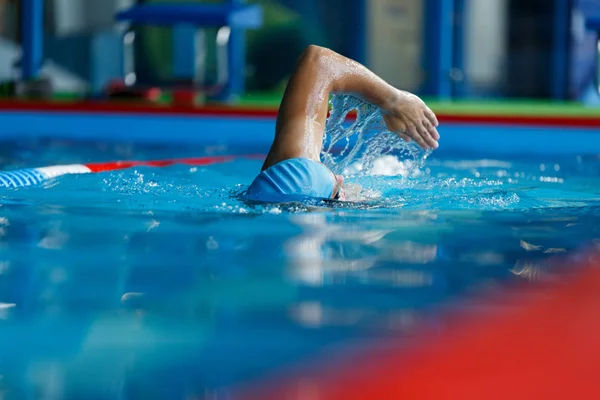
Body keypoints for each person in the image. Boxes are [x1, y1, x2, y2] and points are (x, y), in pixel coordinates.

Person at [245, 45, 439, 202]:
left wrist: (392, 100)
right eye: (337, 193)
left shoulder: (283, 183)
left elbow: (319, 63)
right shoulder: (300, 181)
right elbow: (319, 62)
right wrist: (395, 101)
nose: (341, 178)